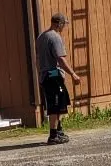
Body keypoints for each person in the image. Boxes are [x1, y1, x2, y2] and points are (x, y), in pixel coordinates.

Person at [35, 12, 81, 145]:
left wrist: (40, 74)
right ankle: (53, 135)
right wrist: (73, 74)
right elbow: (60, 59)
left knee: (60, 102)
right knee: (55, 104)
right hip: (54, 75)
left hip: (45, 76)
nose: (64, 27)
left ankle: (59, 130)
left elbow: (37, 59)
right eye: (63, 24)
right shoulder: (55, 37)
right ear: (59, 24)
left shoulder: (41, 37)